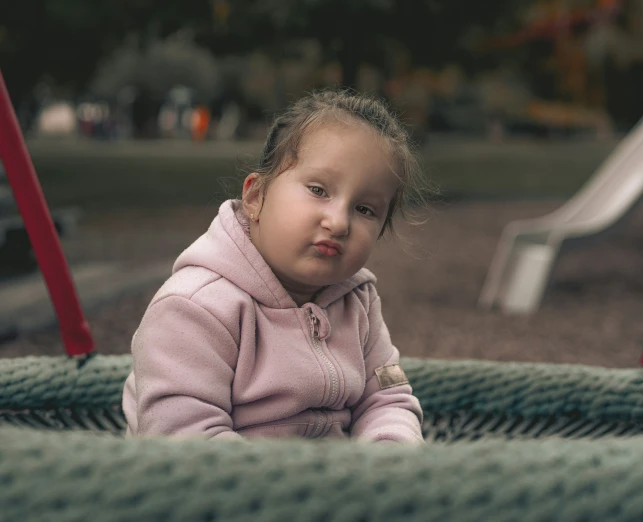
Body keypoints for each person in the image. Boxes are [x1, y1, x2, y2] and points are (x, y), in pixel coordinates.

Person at [122, 90, 431, 444]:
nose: (339, 221)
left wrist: (390, 460)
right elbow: (183, 436)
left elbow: (386, 399)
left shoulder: (358, 302)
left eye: (365, 209)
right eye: (318, 189)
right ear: (255, 197)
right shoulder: (195, 307)